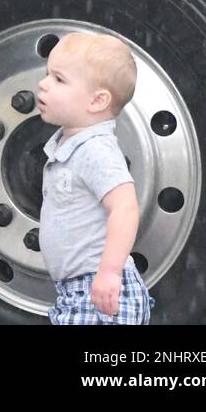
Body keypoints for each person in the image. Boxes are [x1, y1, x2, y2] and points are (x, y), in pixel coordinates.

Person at [37, 31, 152, 325]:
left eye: (59, 80)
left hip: (99, 289)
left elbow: (125, 207)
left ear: (98, 100)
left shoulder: (95, 150)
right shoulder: (71, 146)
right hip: (76, 290)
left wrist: (109, 272)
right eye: (47, 74)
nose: (43, 84)